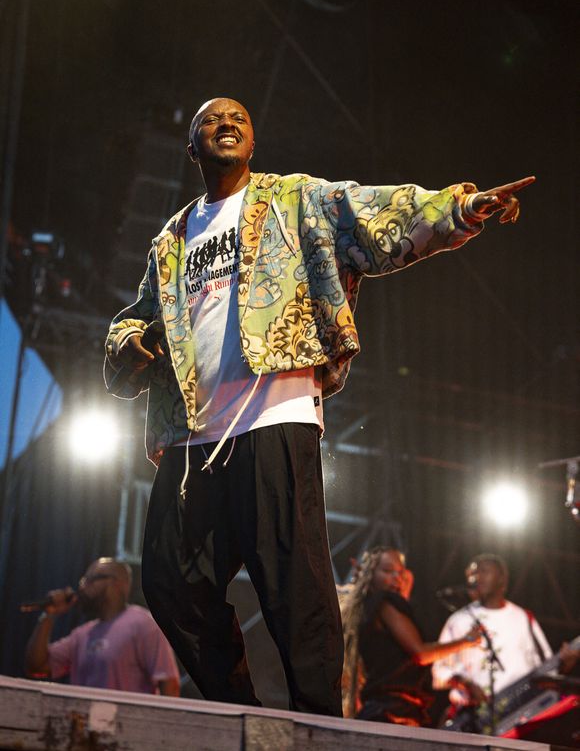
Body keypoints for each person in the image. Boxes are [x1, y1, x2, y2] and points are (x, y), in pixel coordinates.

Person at [103, 96, 534, 715]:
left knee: (294, 590)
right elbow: (130, 321)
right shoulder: (171, 240)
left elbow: (376, 213)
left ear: (252, 142)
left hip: (274, 415)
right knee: (171, 584)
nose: (227, 124)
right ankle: (236, 710)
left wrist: (462, 208)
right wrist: (131, 343)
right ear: (191, 147)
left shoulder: (292, 200)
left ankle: (320, 725)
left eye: (239, 119)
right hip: (191, 435)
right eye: (210, 120)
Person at [340, 546, 481, 725]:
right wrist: (467, 640)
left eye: (399, 573)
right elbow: (420, 654)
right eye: (387, 571)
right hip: (393, 712)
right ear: (370, 574)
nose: (396, 578)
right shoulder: (385, 603)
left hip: (388, 709)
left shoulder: (374, 607)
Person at [25, 557, 180, 696]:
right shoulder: (82, 634)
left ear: (118, 584)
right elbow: (37, 666)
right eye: (83, 581)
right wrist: (49, 614)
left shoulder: (143, 624)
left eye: (90, 579)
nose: (82, 588)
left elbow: (169, 683)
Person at [432, 553, 552, 730]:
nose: (476, 578)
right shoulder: (458, 620)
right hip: (471, 718)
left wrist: (566, 661)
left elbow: (546, 666)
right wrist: (464, 683)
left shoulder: (523, 618)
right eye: (472, 574)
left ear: (502, 579)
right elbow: (438, 671)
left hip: (519, 717)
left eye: (484, 571)